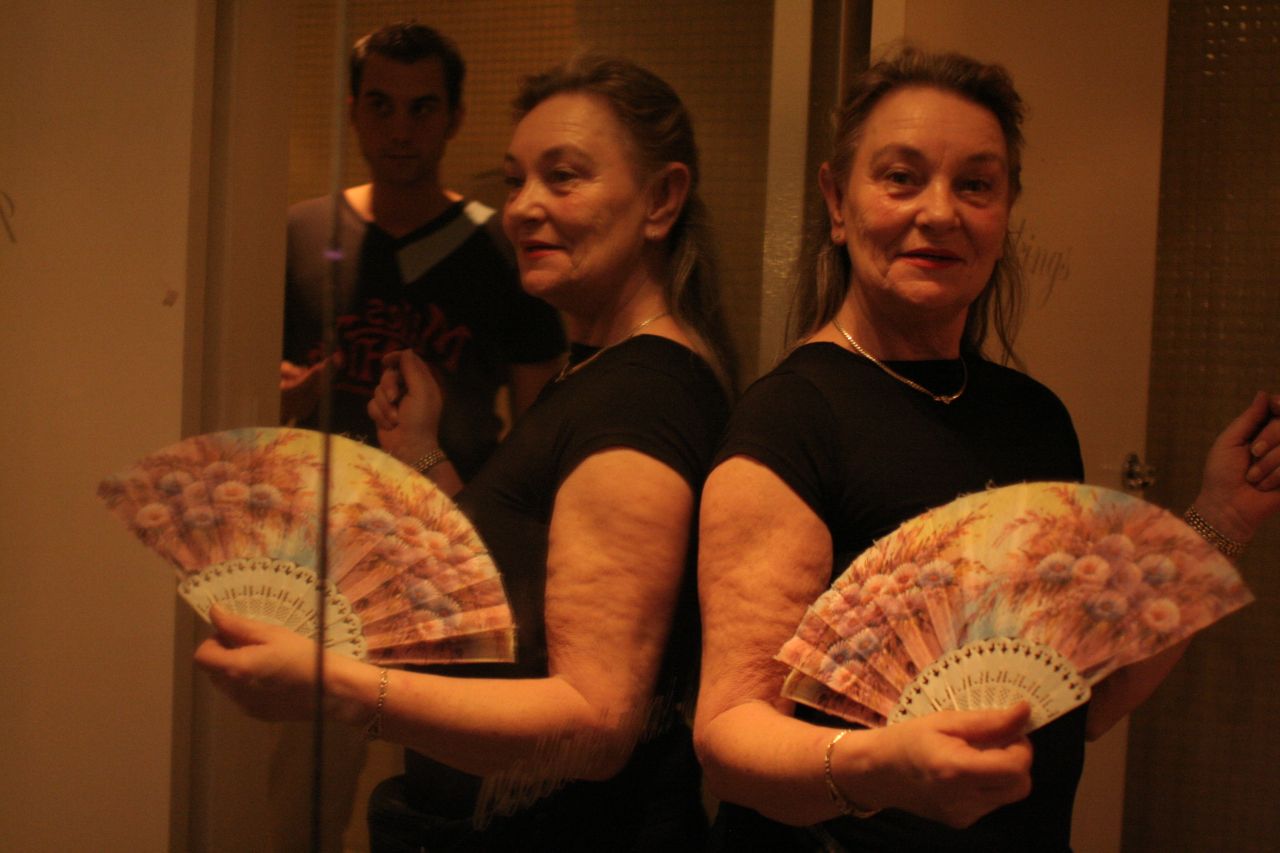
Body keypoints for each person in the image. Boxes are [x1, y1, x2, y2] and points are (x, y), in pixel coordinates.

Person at [693, 46, 1280, 851]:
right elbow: (730, 733)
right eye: (901, 177)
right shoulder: (790, 420)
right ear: (837, 201)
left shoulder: (1036, 418)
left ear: (1006, 213)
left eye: (976, 184)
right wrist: (882, 766)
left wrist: (1221, 519)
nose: (940, 212)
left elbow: (1086, 703)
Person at [197, 54, 736, 851]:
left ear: (662, 199)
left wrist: (335, 686)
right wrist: (423, 452)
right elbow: (521, 590)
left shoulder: (640, 396)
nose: (523, 208)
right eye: (516, 181)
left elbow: (594, 722)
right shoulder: (600, 369)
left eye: (564, 177)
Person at [281, 21, 566, 479]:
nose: (400, 131)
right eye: (381, 106)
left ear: (454, 117)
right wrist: (282, 398)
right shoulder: (300, 233)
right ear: (353, 111)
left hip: (453, 507)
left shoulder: (502, 245)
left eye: (422, 108)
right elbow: (245, 396)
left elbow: (539, 428)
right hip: (315, 503)